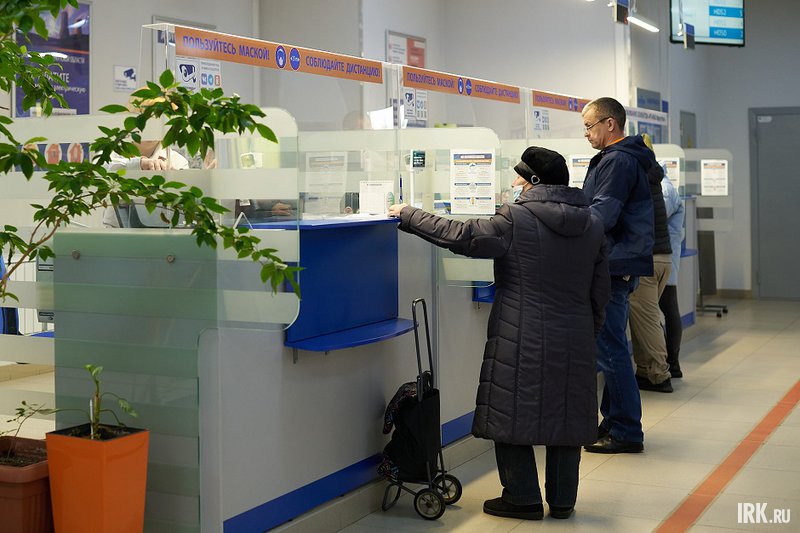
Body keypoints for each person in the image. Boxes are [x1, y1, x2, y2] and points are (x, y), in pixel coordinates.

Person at [388, 146, 609, 520]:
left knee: (509, 410)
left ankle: (522, 498)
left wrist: (409, 215)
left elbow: (462, 235)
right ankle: (562, 501)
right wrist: (588, 330)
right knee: (567, 414)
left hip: (519, 330)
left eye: (521, 176)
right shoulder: (593, 223)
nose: (515, 183)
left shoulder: (515, 218)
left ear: (535, 181)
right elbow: (600, 289)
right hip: (575, 332)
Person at [580, 97, 654, 454]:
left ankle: (625, 430)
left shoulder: (618, 160)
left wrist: (566, 224)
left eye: (589, 126)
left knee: (611, 349)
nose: (586, 134)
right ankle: (613, 421)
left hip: (613, 264)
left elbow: (603, 214)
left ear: (610, 124)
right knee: (611, 347)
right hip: (619, 262)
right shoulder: (620, 158)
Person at [629, 134, 674, 393]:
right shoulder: (653, 176)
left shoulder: (638, 179)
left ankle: (660, 375)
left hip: (647, 259)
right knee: (641, 318)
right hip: (662, 257)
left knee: (647, 320)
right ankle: (645, 371)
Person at [102, 141, 189, 228]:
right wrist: (139, 164)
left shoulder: (177, 161)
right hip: (115, 230)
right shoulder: (112, 153)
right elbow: (100, 169)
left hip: (162, 231)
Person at [659, 172, 685, 378]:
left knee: (668, 309)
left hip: (664, 256)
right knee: (666, 310)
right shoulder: (664, 186)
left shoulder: (665, 189)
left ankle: (672, 362)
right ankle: (669, 361)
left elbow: (656, 218)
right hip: (666, 256)